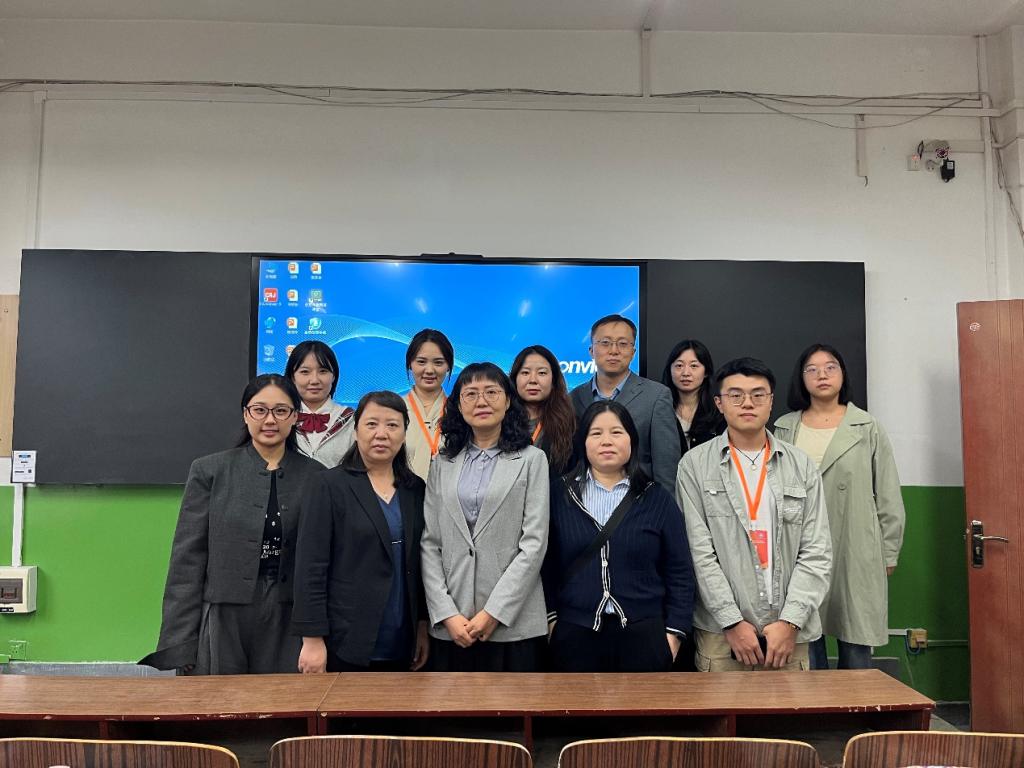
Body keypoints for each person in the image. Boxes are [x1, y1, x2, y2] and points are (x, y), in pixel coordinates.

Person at [141, 374, 321, 674]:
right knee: (221, 700)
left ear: (295, 417)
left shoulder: (317, 476)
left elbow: (321, 564)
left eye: (281, 411)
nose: (270, 420)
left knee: (283, 700)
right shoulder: (210, 471)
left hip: (289, 618)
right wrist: (182, 641)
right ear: (245, 414)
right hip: (224, 616)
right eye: (259, 410)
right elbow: (187, 561)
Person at [675, 357, 831, 672]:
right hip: (722, 636)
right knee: (723, 707)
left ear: (771, 402)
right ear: (719, 403)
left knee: (789, 707)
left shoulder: (800, 466)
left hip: (789, 636)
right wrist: (732, 621)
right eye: (736, 395)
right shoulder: (694, 466)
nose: (747, 403)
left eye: (758, 394)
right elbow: (698, 553)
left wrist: (790, 622)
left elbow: (817, 550)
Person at [773, 343, 905, 670]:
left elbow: (888, 493)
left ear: (843, 374)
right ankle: (815, 703)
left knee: (855, 639)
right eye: (812, 369)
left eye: (830, 367)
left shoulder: (866, 426)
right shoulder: (785, 427)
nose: (822, 375)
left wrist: (889, 551)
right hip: (800, 546)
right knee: (805, 637)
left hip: (855, 546)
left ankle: (855, 704)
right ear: (801, 378)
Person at [543, 400, 695, 672]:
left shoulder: (656, 498)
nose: (607, 441)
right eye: (596, 433)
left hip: (645, 635)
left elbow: (680, 571)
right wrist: (552, 621)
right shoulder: (559, 496)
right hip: (574, 634)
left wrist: (674, 634)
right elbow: (545, 566)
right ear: (583, 442)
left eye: (616, 432)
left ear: (631, 440)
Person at [420, 362, 550, 671]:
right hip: (453, 623)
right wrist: (446, 613)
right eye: (471, 394)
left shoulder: (532, 460)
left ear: (508, 401)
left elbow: (534, 544)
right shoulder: (442, 462)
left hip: (513, 623)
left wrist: (494, 612)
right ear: (458, 404)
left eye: (492, 392)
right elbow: (430, 542)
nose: (481, 401)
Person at [292, 391, 430, 672]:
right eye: (371, 424)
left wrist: (422, 626)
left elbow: (420, 563)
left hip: (403, 638)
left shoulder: (415, 488)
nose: (382, 434)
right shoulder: (328, 485)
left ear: (404, 433)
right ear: (356, 432)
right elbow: (310, 567)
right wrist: (312, 639)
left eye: (392, 425)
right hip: (346, 640)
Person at [569, 314, 680, 490]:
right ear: (591, 351)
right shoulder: (574, 398)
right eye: (605, 343)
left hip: (640, 499)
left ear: (633, 352)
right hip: (584, 498)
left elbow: (666, 467)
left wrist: (664, 504)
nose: (614, 350)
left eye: (622, 344)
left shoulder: (656, 396)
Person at [284, 340, 354, 468]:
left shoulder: (353, 420)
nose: (314, 380)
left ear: (334, 376)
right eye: (305, 372)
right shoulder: (281, 418)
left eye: (323, 371)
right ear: (292, 377)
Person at [510, 344, 576, 476]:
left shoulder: (570, 425)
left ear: (553, 381)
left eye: (542, 373)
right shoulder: (500, 421)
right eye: (525, 372)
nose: (533, 380)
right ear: (515, 379)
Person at [404, 329, 455, 481]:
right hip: (400, 492)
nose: (429, 370)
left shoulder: (459, 411)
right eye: (421, 362)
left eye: (438, 362)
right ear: (410, 364)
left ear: (448, 366)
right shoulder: (392, 410)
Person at [661, 339, 725, 452]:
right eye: (679, 366)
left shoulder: (719, 410)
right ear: (669, 370)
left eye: (694, 366)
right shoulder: (659, 409)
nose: (686, 373)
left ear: (706, 372)